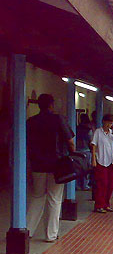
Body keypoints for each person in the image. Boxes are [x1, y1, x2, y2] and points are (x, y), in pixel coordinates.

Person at [26, 93, 75, 242]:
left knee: (37, 197)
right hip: (56, 165)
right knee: (54, 199)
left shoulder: (31, 121)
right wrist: (73, 155)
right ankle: (51, 235)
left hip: (37, 165)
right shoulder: (58, 119)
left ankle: (27, 231)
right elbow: (70, 142)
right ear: (51, 105)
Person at [91, 114, 113, 213]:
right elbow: (94, 145)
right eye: (108, 122)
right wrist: (93, 159)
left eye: (111, 123)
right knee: (102, 184)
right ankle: (99, 205)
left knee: (110, 184)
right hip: (101, 161)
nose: (109, 125)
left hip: (112, 161)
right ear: (104, 121)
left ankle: (106, 204)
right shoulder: (98, 132)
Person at [75, 114, 93, 190]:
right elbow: (91, 141)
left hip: (77, 151)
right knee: (86, 169)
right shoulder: (88, 130)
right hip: (86, 151)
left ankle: (77, 185)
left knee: (77, 169)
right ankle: (85, 184)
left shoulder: (76, 128)